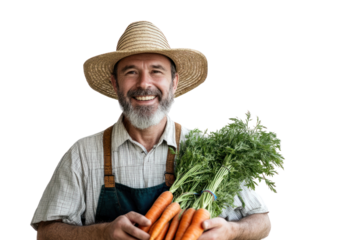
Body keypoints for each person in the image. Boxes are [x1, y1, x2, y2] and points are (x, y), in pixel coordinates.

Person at [30, 19, 272, 240]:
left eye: (156, 71)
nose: (144, 83)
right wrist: (103, 233)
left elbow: (263, 222)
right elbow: (46, 233)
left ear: (173, 82)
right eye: (131, 72)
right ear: (115, 83)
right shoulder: (82, 153)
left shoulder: (210, 149)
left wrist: (232, 231)